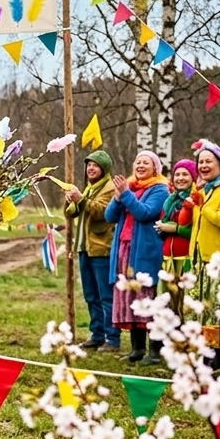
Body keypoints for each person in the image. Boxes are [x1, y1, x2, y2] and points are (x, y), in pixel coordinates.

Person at [104, 151, 169, 364]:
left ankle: (155, 352)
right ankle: (137, 349)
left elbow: (144, 213)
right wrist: (117, 197)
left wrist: (125, 195)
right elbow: (109, 217)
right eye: (138, 162)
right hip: (124, 249)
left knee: (146, 298)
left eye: (146, 163)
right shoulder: (129, 187)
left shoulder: (160, 189)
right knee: (130, 298)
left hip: (145, 251)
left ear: (155, 168)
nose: (140, 165)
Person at [65, 150, 118, 351]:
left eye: (95, 165)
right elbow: (74, 213)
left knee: (106, 296)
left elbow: (102, 213)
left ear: (104, 169)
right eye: (88, 165)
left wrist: (81, 199)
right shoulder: (89, 189)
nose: (91, 169)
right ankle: (97, 335)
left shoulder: (110, 188)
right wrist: (71, 201)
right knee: (91, 296)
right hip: (84, 249)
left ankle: (112, 338)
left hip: (101, 250)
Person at [151, 159, 197, 365]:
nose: (180, 178)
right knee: (169, 306)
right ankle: (170, 350)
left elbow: (194, 231)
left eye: (185, 174)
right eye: (177, 174)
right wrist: (162, 229)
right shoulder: (169, 201)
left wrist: (175, 229)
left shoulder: (195, 199)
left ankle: (187, 352)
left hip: (185, 259)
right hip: (168, 259)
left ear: (193, 177)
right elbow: (164, 225)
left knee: (183, 307)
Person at [192, 139, 220, 371]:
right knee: (207, 313)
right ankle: (210, 357)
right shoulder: (206, 189)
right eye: (201, 161)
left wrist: (203, 205)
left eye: (209, 161)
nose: (204, 165)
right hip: (203, 260)